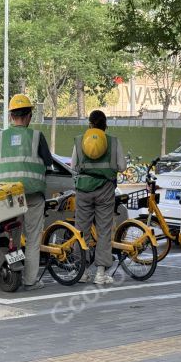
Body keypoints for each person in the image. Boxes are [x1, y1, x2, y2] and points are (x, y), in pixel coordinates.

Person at [0, 94, 52, 291]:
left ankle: (14, 272)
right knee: (33, 239)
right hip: (34, 196)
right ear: (29, 116)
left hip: (10, 197)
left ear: (11, 116)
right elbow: (48, 163)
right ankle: (30, 280)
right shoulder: (36, 137)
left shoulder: (1, 137)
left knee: (13, 239)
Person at [71, 110, 126, 285]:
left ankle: (82, 271)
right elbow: (122, 166)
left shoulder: (80, 140)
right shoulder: (114, 141)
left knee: (81, 229)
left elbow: (73, 165)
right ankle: (100, 274)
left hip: (83, 189)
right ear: (105, 124)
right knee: (104, 230)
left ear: (90, 124)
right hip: (105, 189)